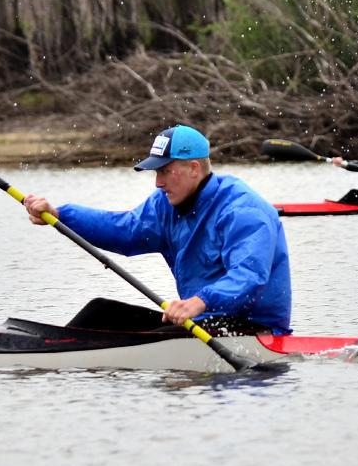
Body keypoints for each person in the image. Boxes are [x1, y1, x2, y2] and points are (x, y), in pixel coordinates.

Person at [20, 125, 292, 335]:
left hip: (255, 328)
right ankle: (48, 354)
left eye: (165, 171)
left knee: (162, 337)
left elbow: (249, 276)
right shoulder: (165, 205)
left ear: (193, 168)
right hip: (199, 320)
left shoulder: (243, 212)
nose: (158, 183)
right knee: (100, 311)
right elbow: (124, 231)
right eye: (156, 173)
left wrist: (199, 302)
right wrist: (61, 215)